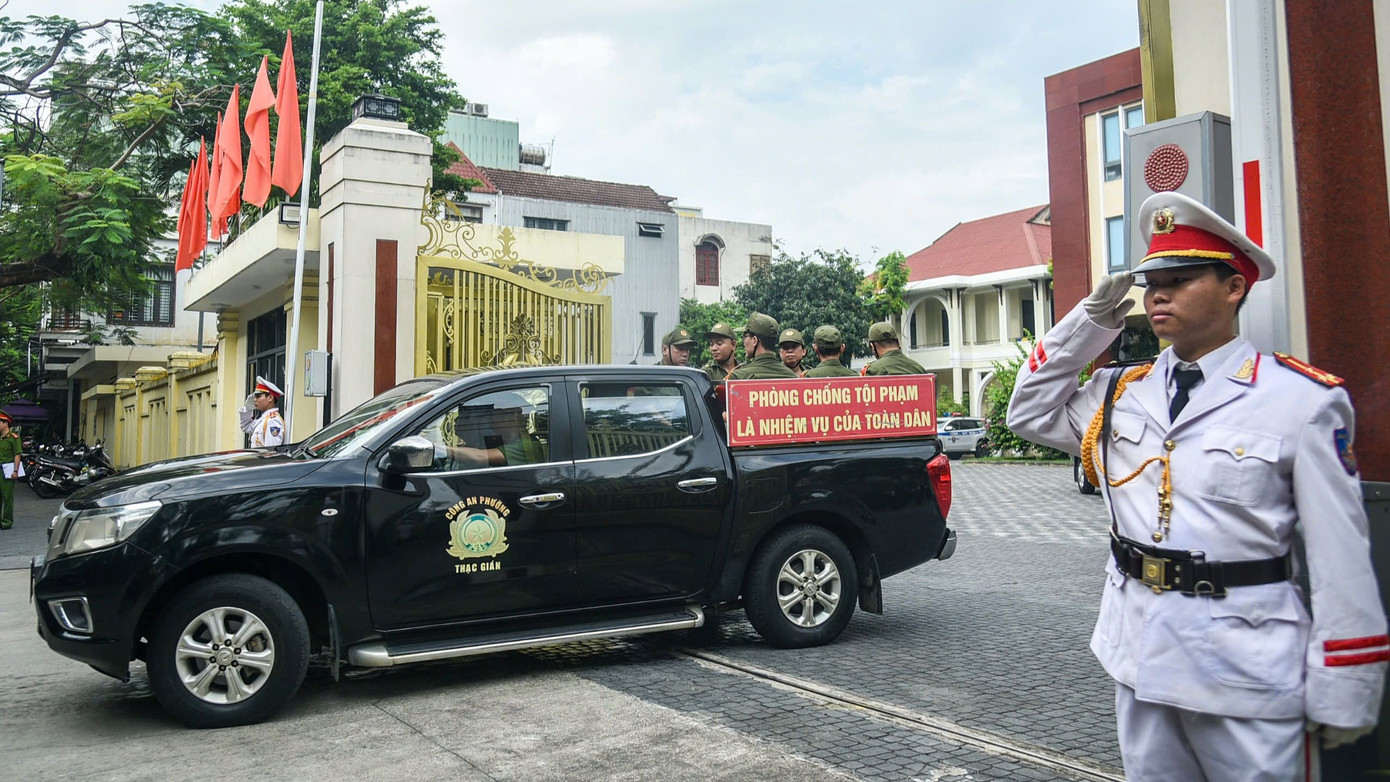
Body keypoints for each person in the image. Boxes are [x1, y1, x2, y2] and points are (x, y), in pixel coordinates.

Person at [1007, 190, 1386, 779]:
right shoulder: (1120, 393)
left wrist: (1347, 683)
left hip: (1247, 666)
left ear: (1234, 287)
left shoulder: (1300, 400)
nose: (1158, 295)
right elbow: (1027, 413)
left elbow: (1340, 557)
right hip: (1139, 652)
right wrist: (1090, 322)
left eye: (1180, 280)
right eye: (1151, 283)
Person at [434, 391, 546, 468]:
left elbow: (481, 456)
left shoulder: (527, 445)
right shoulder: (499, 442)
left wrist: (440, 449)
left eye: (496, 413)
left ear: (514, 415)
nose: (490, 418)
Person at [726, 313, 798, 380]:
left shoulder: (739, 376)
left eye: (745, 336)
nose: (743, 342)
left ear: (754, 340)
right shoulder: (792, 376)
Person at [241, 376, 286, 448]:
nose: (255, 400)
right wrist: (248, 409)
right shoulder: (264, 419)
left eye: (258, 396)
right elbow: (246, 427)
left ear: (270, 398)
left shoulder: (272, 421)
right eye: (254, 397)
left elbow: (270, 451)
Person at [0, 411, 20, 531]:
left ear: (5, 423)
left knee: (7, 497)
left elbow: (17, 454)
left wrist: (15, 471)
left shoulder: (13, 438)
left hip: (7, 471)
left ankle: (6, 521)